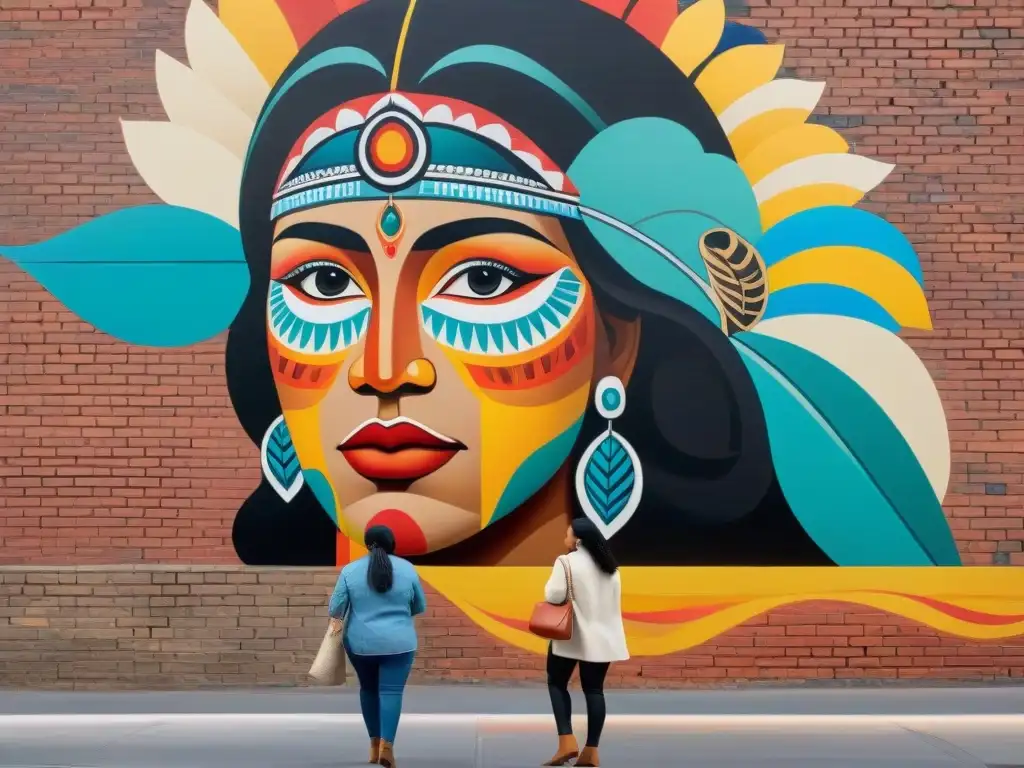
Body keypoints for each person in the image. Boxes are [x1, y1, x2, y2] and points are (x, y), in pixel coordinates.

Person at [328, 525, 427, 767]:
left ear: (366, 543)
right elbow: (419, 605)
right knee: (391, 692)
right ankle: (387, 747)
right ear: (392, 543)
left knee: (369, 690)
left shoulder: (350, 571)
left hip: (361, 644)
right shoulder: (407, 569)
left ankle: (373, 747)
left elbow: (336, 609)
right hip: (400, 643)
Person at [542, 518, 628, 767]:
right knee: (594, 690)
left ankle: (566, 741)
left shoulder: (566, 562)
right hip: (604, 637)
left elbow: (554, 594)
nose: (565, 539)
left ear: (577, 539)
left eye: (567, 534)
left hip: (572, 635)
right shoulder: (611, 567)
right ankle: (591, 751)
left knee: (556, 682)